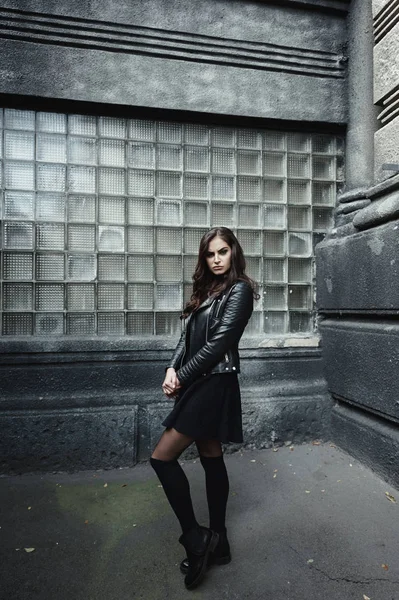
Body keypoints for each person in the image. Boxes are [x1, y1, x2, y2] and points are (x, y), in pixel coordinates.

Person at [150, 226, 258, 590]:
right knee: (211, 454)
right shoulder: (205, 290)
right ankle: (221, 542)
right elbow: (187, 337)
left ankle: (197, 538)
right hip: (198, 381)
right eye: (210, 254)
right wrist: (171, 366)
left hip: (214, 383)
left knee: (161, 458)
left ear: (233, 253)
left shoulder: (240, 290)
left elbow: (217, 345)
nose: (216, 259)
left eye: (222, 252)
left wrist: (180, 377)